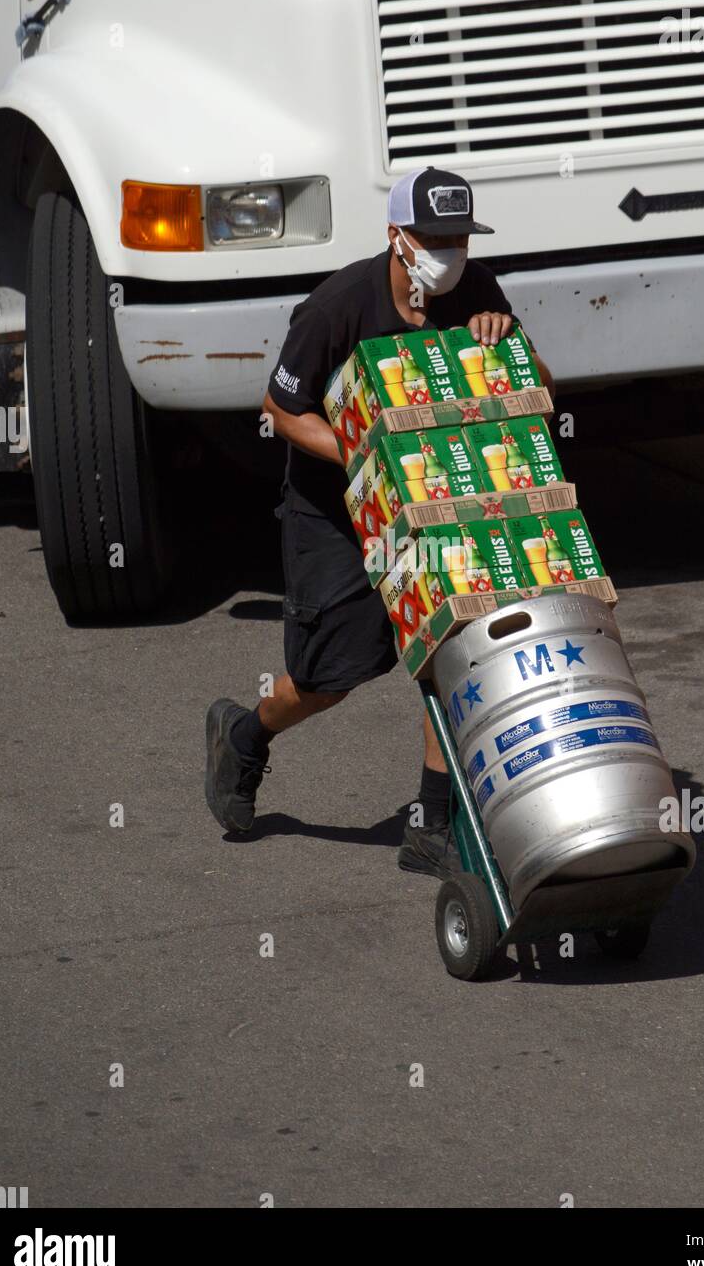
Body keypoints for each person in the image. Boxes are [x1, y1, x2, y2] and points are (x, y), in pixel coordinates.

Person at [205, 166, 553, 876]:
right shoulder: (339, 307)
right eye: (434, 239)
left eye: (459, 238)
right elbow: (278, 410)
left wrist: (507, 343)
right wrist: (366, 454)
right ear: (397, 238)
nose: (448, 252)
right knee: (331, 676)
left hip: (433, 507)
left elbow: (542, 390)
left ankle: (430, 820)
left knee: (452, 642)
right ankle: (245, 733)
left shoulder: (476, 293)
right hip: (336, 510)